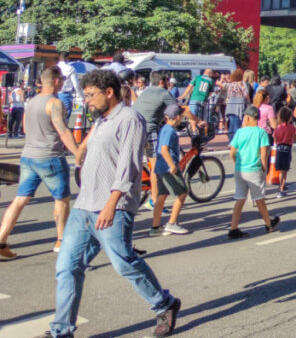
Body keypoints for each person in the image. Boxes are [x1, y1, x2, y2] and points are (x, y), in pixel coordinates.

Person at [50, 69, 181, 337]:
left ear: (108, 92)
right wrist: (80, 151)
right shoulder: (101, 121)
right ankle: (61, 330)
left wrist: (112, 202)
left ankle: (164, 303)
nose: (86, 100)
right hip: (84, 206)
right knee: (67, 267)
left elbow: (128, 165)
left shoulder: (130, 119)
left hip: (113, 206)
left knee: (124, 263)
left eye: (90, 95)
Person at [0, 68, 79, 260]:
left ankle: (1, 240)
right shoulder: (55, 103)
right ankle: (61, 241)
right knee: (61, 199)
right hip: (50, 157)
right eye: (61, 79)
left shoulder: (31, 101)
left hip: (28, 156)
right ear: (55, 81)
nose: (62, 83)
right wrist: (78, 154)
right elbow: (63, 130)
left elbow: (26, 128)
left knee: (20, 199)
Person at [227, 106, 280, 238]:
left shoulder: (240, 132)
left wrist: (236, 162)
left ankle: (233, 227)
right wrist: (264, 168)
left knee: (240, 198)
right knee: (259, 198)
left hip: (240, 169)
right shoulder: (261, 133)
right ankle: (269, 224)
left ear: (248, 118)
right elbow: (263, 154)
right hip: (254, 169)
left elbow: (232, 152)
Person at [148, 106, 189, 236]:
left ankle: (155, 226)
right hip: (167, 167)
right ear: (176, 117)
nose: (182, 118)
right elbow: (164, 149)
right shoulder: (170, 131)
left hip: (159, 167)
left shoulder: (165, 129)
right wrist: (172, 165)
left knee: (162, 195)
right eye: (181, 116)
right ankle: (172, 223)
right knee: (182, 192)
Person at [273, 107, 296, 198]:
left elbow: (275, 139)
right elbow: (294, 138)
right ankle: (282, 188)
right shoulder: (291, 127)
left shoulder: (277, 128)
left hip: (279, 148)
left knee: (280, 171)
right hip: (287, 148)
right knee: (285, 170)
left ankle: (281, 186)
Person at [222, 69, 250, 141]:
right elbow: (246, 94)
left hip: (230, 105)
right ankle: (235, 142)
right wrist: (249, 104)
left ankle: (231, 140)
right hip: (239, 105)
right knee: (236, 124)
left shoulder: (231, 84)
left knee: (231, 124)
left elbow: (228, 95)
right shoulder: (242, 84)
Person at [56, 52, 81, 120]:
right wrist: (80, 95)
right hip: (65, 95)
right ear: (67, 58)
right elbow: (76, 84)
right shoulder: (70, 68)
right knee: (64, 117)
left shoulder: (55, 67)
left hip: (54, 94)